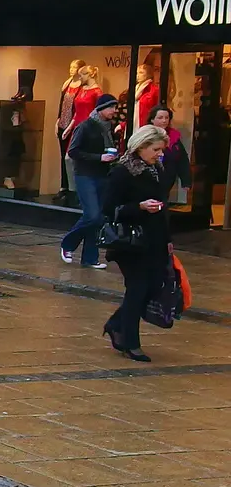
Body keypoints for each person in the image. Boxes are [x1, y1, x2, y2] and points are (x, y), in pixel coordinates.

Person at [102, 124, 173, 363]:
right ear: (141, 147)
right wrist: (139, 207)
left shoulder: (157, 169)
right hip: (130, 242)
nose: (159, 154)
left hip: (154, 239)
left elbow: (164, 208)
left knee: (153, 284)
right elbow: (108, 209)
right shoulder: (122, 172)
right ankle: (131, 343)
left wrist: (168, 240)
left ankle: (116, 324)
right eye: (156, 149)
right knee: (138, 287)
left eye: (161, 150)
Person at [60, 93, 122, 269]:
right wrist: (99, 157)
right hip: (85, 175)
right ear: (101, 108)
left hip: (103, 175)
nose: (114, 111)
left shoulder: (109, 127)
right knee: (92, 215)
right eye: (111, 107)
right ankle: (68, 244)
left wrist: (113, 157)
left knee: (98, 218)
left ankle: (90, 257)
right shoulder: (85, 126)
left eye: (115, 108)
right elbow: (73, 151)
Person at [150, 105, 192, 201]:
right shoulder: (147, 136)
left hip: (168, 178)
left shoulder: (174, 136)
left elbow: (182, 159)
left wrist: (186, 180)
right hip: (150, 178)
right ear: (152, 119)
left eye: (167, 118)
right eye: (160, 118)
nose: (164, 121)